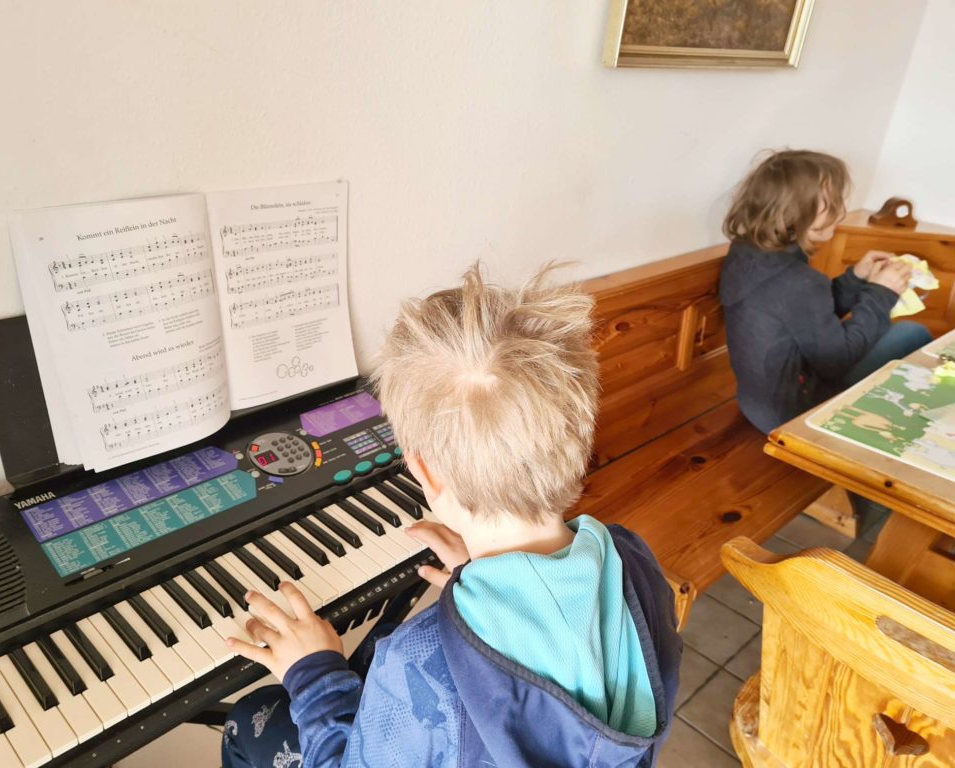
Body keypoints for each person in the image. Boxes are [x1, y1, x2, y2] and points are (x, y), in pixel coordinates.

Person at [220, 263, 682, 768]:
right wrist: (481, 575)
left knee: (250, 718)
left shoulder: (416, 663)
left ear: (425, 474)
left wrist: (314, 674)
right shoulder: (634, 558)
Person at [719, 149, 932, 435]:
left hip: (756, 404)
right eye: (832, 204)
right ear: (792, 211)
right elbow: (836, 361)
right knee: (913, 333)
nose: (841, 212)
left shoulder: (749, 252)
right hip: (795, 415)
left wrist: (856, 278)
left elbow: (806, 315)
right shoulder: (799, 281)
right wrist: (882, 292)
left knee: (899, 333)